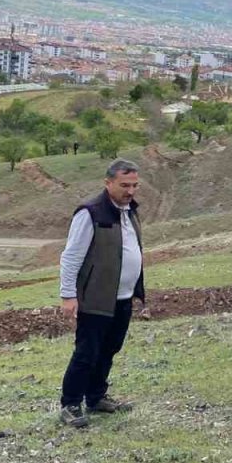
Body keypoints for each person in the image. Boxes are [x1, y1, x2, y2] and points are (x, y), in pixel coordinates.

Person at [57, 158, 147, 427]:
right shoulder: (90, 212)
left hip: (123, 296)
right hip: (95, 297)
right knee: (87, 352)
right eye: (124, 185)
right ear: (107, 183)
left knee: (109, 348)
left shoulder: (130, 211)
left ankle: (96, 397)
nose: (130, 191)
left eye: (134, 185)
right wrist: (68, 295)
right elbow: (71, 256)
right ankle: (71, 403)